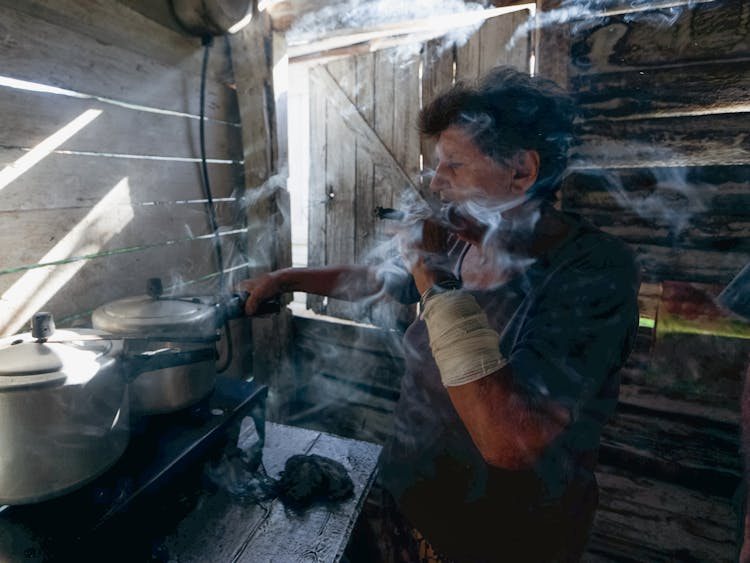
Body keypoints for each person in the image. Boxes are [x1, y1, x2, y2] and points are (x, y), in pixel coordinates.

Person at [239, 66, 640, 562]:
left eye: (454, 165)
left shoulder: (591, 270)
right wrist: (289, 279)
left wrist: (433, 275)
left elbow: (509, 441)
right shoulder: (460, 235)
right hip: (406, 501)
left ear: (522, 171)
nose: (437, 180)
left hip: (505, 540)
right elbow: (376, 277)